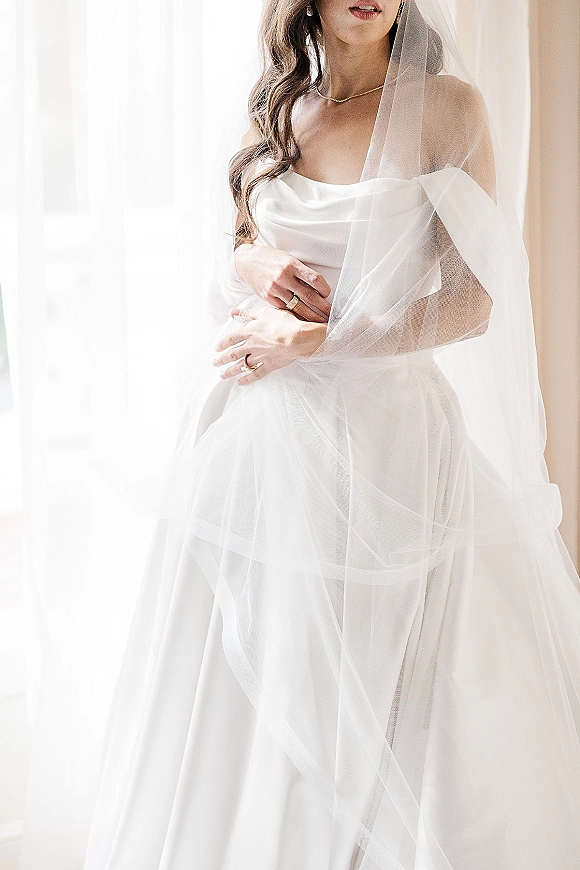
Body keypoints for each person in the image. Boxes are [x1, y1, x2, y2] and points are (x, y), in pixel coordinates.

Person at [83, 1, 580, 868]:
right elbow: (235, 250)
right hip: (255, 432)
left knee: (380, 678)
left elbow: (471, 303)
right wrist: (254, 261)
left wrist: (319, 341)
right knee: (256, 670)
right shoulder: (277, 106)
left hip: (388, 444)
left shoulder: (447, 108)